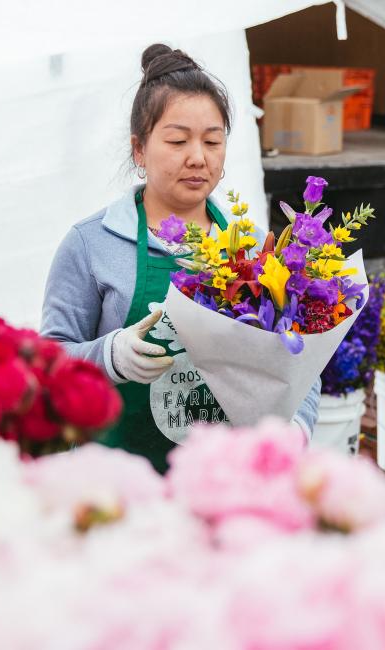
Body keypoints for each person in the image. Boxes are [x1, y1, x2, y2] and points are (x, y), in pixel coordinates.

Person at [41, 44, 320, 472]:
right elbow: (48, 365)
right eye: (177, 140)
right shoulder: (90, 244)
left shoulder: (256, 249)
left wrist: (295, 429)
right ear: (139, 149)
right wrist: (111, 355)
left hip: (225, 482)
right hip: (117, 486)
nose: (198, 157)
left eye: (213, 141)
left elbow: (300, 363)